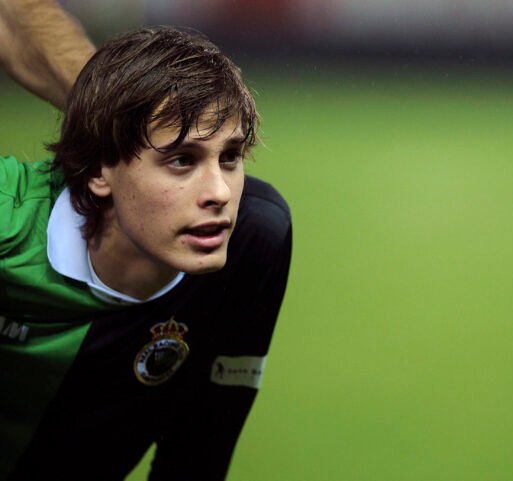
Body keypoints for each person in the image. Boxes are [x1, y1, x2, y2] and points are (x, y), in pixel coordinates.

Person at [0, 8, 292, 481]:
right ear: (99, 170)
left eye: (231, 156)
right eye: (181, 160)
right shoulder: (10, 225)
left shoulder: (254, 238)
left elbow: (198, 453)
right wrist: (115, 107)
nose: (220, 192)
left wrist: (123, 99)